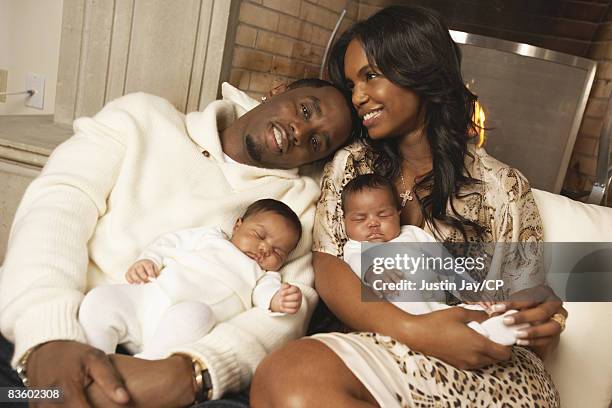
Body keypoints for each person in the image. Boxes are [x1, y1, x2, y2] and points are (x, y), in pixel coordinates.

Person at [251, 6, 566, 407]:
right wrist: (414, 329)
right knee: (290, 377)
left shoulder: (504, 188)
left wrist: (540, 321)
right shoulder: (352, 164)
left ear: (420, 70)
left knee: (292, 377)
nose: (358, 97)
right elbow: (329, 264)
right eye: (352, 84)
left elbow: (530, 321)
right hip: (386, 351)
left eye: (370, 76)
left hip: (489, 372)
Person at [0, 78, 355, 407]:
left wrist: (190, 371)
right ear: (278, 90)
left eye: (315, 142)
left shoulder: (300, 205)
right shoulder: (142, 118)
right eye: (306, 111)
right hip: (65, 322)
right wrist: (47, 337)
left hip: (177, 361)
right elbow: (57, 206)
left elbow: (289, 310)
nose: (300, 131)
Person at [79, 199, 304, 360]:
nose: (264, 248)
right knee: (101, 299)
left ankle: (145, 365)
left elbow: (267, 293)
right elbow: (169, 242)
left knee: (196, 314)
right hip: (151, 299)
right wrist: (149, 260)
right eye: (259, 235)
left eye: (278, 252)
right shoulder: (210, 237)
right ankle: (94, 359)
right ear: (237, 225)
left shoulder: (264, 275)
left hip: (185, 325)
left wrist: (278, 300)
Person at [341, 173, 529, 345]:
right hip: (399, 306)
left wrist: (467, 288)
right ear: (345, 222)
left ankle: (497, 324)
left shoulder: (412, 234)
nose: (373, 223)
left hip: (436, 302)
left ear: (398, 213)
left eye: (383, 214)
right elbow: (355, 263)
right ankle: (465, 334)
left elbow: (444, 263)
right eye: (359, 219)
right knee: (403, 294)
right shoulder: (355, 247)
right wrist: (373, 271)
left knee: (475, 308)